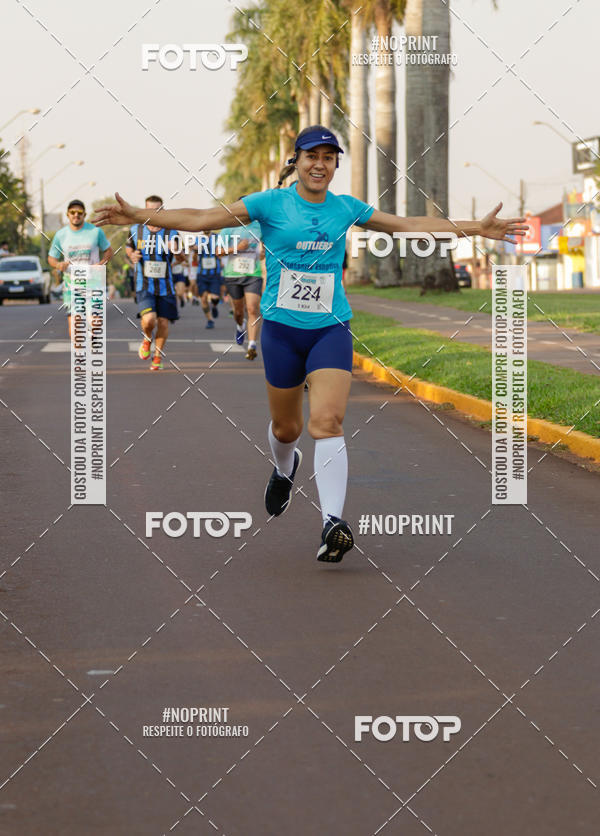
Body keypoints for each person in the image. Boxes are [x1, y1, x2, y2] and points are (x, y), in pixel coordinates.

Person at [94, 125, 526, 563]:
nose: (320, 164)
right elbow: (204, 219)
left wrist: (476, 228)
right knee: (288, 429)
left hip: (329, 329)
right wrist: (140, 217)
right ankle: (285, 467)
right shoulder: (270, 203)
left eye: (328, 157)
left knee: (328, 421)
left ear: (336, 164)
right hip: (281, 331)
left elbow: (409, 225)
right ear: (295, 162)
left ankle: (331, 523)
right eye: (311, 156)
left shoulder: (345, 209)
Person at [125, 194, 179, 371]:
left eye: (158, 209)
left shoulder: (172, 232)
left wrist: (176, 251)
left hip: (166, 286)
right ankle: (147, 338)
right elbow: (128, 249)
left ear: (162, 211)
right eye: (150, 209)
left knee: (163, 323)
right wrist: (132, 255)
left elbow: (181, 257)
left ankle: (157, 357)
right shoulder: (135, 230)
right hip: (144, 283)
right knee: (149, 321)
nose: (154, 212)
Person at [48, 199, 112, 338]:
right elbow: (51, 258)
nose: (76, 215)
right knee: (76, 323)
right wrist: (58, 264)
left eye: (79, 212)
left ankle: (91, 334)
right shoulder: (61, 235)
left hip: (93, 283)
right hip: (72, 285)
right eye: (72, 212)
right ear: (67, 214)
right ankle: (80, 355)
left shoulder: (95, 231)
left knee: (96, 322)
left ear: (84, 214)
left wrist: (101, 264)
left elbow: (108, 250)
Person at [218, 212, 264, 359]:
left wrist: (264, 252)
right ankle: (240, 327)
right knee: (238, 312)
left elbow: (269, 245)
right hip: (233, 275)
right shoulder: (228, 229)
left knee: (252, 309)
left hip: (253, 274)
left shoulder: (260, 227)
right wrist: (237, 248)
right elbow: (218, 252)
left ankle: (252, 345)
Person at [195, 232, 222, 329]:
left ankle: (214, 306)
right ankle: (210, 320)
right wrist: (194, 249)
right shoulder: (198, 238)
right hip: (202, 273)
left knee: (215, 297)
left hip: (215, 273)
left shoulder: (217, 237)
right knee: (203, 299)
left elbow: (222, 251)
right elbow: (195, 255)